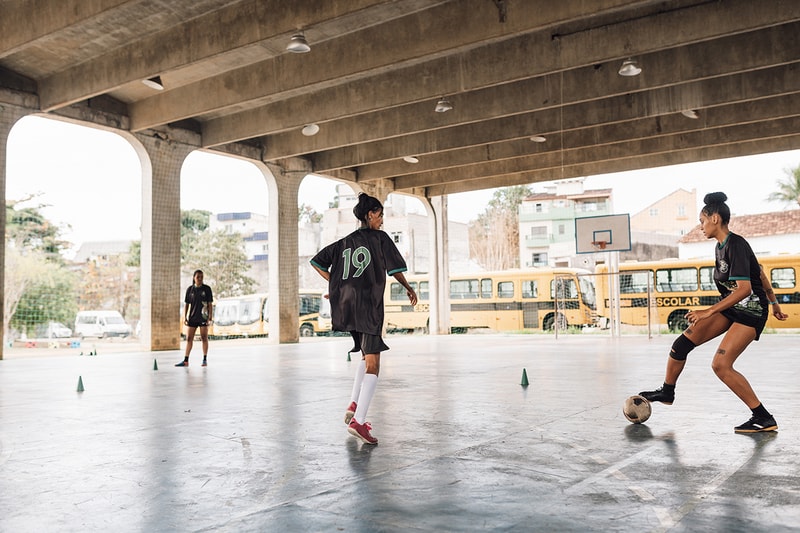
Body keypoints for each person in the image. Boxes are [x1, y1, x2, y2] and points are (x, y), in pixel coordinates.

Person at [639, 192, 787, 433]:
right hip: (732, 308)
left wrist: (709, 311)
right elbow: (758, 272)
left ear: (715, 218)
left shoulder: (736, 244)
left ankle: (763, 417)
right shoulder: (720, 247)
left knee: (721, 365)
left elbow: (745, 289)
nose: (700, 227)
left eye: (702, 221)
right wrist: (776, 303)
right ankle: (667, 391)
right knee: (681, 345)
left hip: (750, 312)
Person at [311, 193, 418, 445]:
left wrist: (338, 284)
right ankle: (359, 422)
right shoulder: (380, 239)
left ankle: (354, 402)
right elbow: (395, 270)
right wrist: (408, 287)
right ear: (370, 215)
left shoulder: (345, 241)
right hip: (368, 305)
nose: (382, 220)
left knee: (364, 355)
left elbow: (316, 262)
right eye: (380, 215)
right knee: (374, 365)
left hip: (347, 305)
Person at [176, 269, 214, 367]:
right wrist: (185, 317)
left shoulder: (207, 289)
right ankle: (185, 360)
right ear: (194, 278)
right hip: (192, 318)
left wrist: (210, 317)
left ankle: (204, 359)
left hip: (203, 317)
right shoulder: (190, 290)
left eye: (201, 277)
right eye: (198, 277)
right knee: (189, 339)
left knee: (204, 338)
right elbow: (186, 305)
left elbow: (210, 304)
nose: (200, 279)